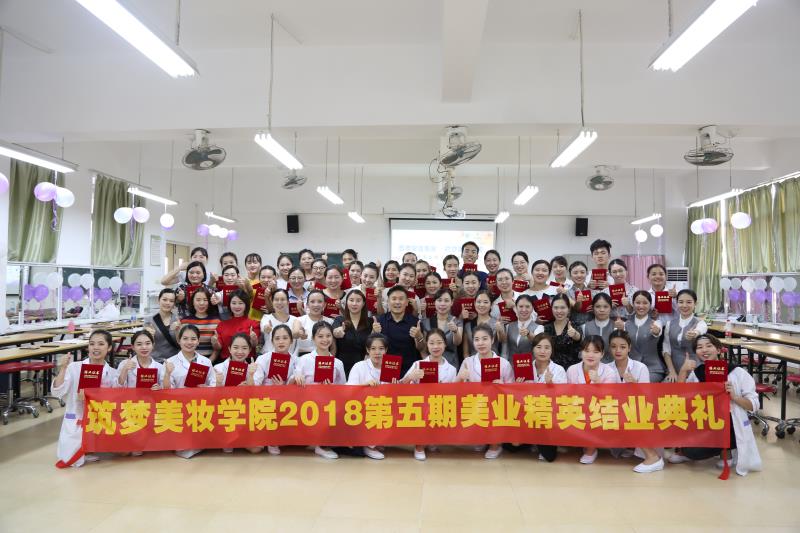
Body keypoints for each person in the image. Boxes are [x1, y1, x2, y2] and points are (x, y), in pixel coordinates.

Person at [671, 334, 762, 476]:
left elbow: (753, 405)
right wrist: (683, 370)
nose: (704, 350)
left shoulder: (736, 373)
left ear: (719, 350)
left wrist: (734, 397)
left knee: (699, 448)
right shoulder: (697, 373)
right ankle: (690, 449)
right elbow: (679, 396)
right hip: (704, 421)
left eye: (709, 346)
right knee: (691, 450)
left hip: (729, 424)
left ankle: (726, 450)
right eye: (699, 347)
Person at [52, 330, 118, 468]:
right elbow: (57, 391)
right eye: (92, 344)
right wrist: (63, 368)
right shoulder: (75, 367)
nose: (95, 348)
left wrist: (96, 397)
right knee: (71, 459)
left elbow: (117, 401)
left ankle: (97, 443)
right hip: (77, 416)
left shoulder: (112, 373)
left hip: (100, 418)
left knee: (123, 451)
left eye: (101, 344)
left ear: (109, 348)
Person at [603, 330, 663, 473]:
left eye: (622, 347)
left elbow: (647, 398)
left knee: (632, 414)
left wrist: (635, 385)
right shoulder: (606, 368)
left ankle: (653, 457)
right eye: (614, 346)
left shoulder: (640, 367)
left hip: (637, 409)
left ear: (629, 348)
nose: (618, 350)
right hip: (614, 409)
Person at [457, 324, 513, 459]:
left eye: (484, 339)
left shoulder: (503, 363)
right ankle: (481, 437)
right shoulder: (468, 362)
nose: (480, 343)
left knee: (498, 407)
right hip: (476, 403)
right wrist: (460, 378)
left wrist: (502, 386)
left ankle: (495, 445)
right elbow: (455, 389)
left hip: (497, 405)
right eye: (476, 339)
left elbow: (512, 390)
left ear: (492, 340)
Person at [402, 328, 459, 461]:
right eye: (431, 343)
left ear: (445, 344)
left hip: (440, 405)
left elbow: (454, 394)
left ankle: (432, 438)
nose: (435, 347)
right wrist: (410, 377)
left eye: (439, 343)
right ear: (427, 345)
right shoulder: (418, 364)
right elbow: (400, 387)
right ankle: (419, 446)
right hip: (418, 406)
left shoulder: (451, 369)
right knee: (425, 408)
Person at [293, 321, 347, 460]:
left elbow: (343, 389)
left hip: (328, 405)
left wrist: (331, 388)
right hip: (307, 404)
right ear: (313, 338)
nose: (325, 339)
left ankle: (322, 444)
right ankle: (319, 443)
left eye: (328, 336)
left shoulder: (337, 363)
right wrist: (296, 378)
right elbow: (292, 384)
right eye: (320, 336)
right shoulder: (304, 360)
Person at [163, 324, 216, 459]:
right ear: (179, 340)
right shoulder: (170, 362)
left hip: (200, 406)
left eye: (193, 339)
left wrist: (206, 389)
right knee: (182, 447)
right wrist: (168, 374)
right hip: (179, 407)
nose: (189, 342)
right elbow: (166, 391)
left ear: (198, 341)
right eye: (185, 339)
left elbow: (213, 384)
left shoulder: (205, 362)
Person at [566, 335, 616, 464]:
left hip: (599, 409)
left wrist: (598, 382)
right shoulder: (572, 370)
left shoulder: (609, 372)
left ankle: (591, 450)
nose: (590, 355)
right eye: (587, 351)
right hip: (577, 407)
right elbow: (567, 395)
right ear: (581, 352)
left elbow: (609, 399)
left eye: (595, 352)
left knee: (595, 411)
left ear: (602, 354)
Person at [516, 333, 566, 462]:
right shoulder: (523, 367)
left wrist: (550, 385)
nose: (542, 351)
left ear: (552, 350)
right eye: (538, 347)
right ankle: (530, 441)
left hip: (547, 417)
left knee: (549, 456)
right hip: (525, 414)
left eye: (547, 347)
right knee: (511, 446)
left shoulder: (558, 370)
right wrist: (518, 387)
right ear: (533, 349)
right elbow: (515, 397)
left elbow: (562, 399)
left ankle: (536, 441)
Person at [249, 324, 297, 456]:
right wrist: (251, 375)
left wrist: (283, 388)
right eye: (277, 338)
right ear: (272, 341)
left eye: (285, 338)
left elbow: (297, 388)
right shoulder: (263, 359)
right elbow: (255, 385)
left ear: (291, 341)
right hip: (265, 400)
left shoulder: (296, 361)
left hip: (286, 401)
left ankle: (276, 438)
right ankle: (268, 437)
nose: (281, 342)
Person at [212, 333, 264, 454]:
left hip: (246, 412)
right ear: (229, 349)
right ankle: (231, 437)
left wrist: (250, 375)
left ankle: (240, 439)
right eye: (235, 347)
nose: (240, 352)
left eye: (244, 348)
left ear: (250, 350)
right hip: (226, 412)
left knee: (256, 448)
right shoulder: (218, 368)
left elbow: (255, 395)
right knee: (227, 446)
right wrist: (220, 384)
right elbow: (214, 398)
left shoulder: (254, 368)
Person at [343, 333, 391, 460]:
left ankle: (375, 441)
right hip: (359, 407)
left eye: (381, 349)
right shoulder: (359, 366)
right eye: (373, 349)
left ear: (386, 350)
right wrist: (365, 385)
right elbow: (348, 391)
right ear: (367, 350)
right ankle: (369, 445)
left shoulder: (390, 368)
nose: (377, 352)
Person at [662, 289, 708, 382]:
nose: (684, 305)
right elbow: (666, 350)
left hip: (695, 370)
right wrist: (671, 371)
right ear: (677, 303)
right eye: (681, 302)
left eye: (689, 302)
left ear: (695, 303)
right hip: (674, 370)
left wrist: (695, 333)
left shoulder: (700, 323)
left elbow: (700, 330)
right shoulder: (669, 324)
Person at [375, 285, 422, 374]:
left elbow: (421, 348)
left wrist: (419, 336)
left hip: (410, 371)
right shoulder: (380, 321)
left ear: (407, 302)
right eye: (394, 299)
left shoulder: (415, 322)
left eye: (401, 299)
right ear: (388, 301)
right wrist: (374, 332)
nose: (397, 302)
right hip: (386, 369)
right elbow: (372, 347)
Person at [625, 291, 666, 382]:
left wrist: (656, 331)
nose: (641, 306)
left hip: (652, 368)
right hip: (631, 368)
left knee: (643, 385)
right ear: (633, 304)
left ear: (650, 305)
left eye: (645, 303)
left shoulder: (656, 323)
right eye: (638, 303)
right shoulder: (626, 324)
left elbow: (657, 332)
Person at [332, 289, 375, 374]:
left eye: (358, 301)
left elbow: (372, 345)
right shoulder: (339, 320)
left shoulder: (371, 322)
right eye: (351, 300)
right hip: (342, 366)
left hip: (363, 366)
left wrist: (375, 331)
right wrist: (338, 332)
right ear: (347, 302)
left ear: (363, 303)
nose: (354, 304)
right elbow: (335, 332)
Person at [213, 289, 261, 361]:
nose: (237, 306)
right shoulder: (221, 325)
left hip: (247, 361)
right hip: (225, 362)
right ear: (229, 305)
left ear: (246, 304)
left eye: (240, 303)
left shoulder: (254, 324)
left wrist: (254, 339)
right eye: (234, 303)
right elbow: (218, 347)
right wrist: (215, 342)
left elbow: (254, 345)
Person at [420, 288, 463, 368]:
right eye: (439, 300)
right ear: (434, 302)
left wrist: (455, 331)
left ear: (452, 302)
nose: (442, 304)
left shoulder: (456, 321)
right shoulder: (426, 322)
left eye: (446, 301)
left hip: (451, 365)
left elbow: (457, 342)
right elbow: (423, 349)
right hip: (431, 365)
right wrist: (428, 364)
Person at [180, 287, 221, 361]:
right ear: (193, 302)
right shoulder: (184, 322)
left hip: (210, 361)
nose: (201, 303)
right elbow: (181, 344)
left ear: (209, 302)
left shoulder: (217, 322)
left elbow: (217, 350)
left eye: (205, 300)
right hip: (188, 361)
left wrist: (207, 363)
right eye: (198, 300)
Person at [542, 294, 583, 368]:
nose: (559, 311)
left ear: (569, 309)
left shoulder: (574, 326)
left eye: (562, 307)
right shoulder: (546, 328)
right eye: (556, 308)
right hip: (553, 370)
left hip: (572, 370)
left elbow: (578, 337)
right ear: (551, 309)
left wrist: (574, 334)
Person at [464, 290, 505, 359]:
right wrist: (469, 363)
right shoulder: (468, 325)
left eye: (485, 302)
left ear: (491, 304)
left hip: (492, 362)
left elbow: (502, 340)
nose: (482, 305)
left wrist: (500, 330)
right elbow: (466, 353)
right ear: (474, 303)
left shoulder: (497, 323)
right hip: (474, 363)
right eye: (479, 302)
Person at [142, 288, 180, 362]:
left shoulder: (178, 320)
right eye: (164, 300)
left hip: (175, 361)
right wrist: (149, 335)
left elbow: (182, 344)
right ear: (158, 300)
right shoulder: (149, 320)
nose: (168, 303)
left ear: (174, 303)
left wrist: (178, 331)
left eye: (171, 301)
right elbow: (145, 345)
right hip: (155, 361)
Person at [260, 289, 300, 355]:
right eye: (276, 300)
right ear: (272, 302)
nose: (279, 302)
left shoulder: (295, 320)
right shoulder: (266, 318)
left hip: (289, 358)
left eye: (282, 299)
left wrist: (298, 333)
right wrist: (267, 328)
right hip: (269, 356)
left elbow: (297, 334)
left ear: (288, 302)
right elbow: (264, 327)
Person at [295, 290, 333, 357]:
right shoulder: (299, 320)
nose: (316, 305)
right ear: (307, 304)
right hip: (303, 359)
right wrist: (299, 333)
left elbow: (333, 347)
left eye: (320, 301)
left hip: (323, 359)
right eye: (312, 302)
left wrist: (330, 360)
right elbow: (294, 334)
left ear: (324, 304)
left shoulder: (330, 322)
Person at [581, 293, 617, 363]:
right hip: (590, 366)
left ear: (611, 308)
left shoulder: (616, 327)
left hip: (612, 367)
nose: (602, 310)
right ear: (592, 308)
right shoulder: (585, 327)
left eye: (605, 306)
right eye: (598, 306)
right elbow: (583, 352)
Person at [503, 294, 538, 360]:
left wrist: (529, 334)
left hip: (530, 365)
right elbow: (505, 351)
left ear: (532, 308)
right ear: (516, 307)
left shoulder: (539, 327)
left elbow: (538, 345)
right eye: (521, 306)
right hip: (511, 365)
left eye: (527, 306)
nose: (524, 310)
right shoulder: (508, 326)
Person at [567, 261, 593, 327]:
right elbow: (575, 309)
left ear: (587, 274)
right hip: (573, 327)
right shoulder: (567, 293)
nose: (579, 275)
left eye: (582, 272)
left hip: (591, 326)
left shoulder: (592, 291)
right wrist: (578, 302)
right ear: (570, 275)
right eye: (575, 273)